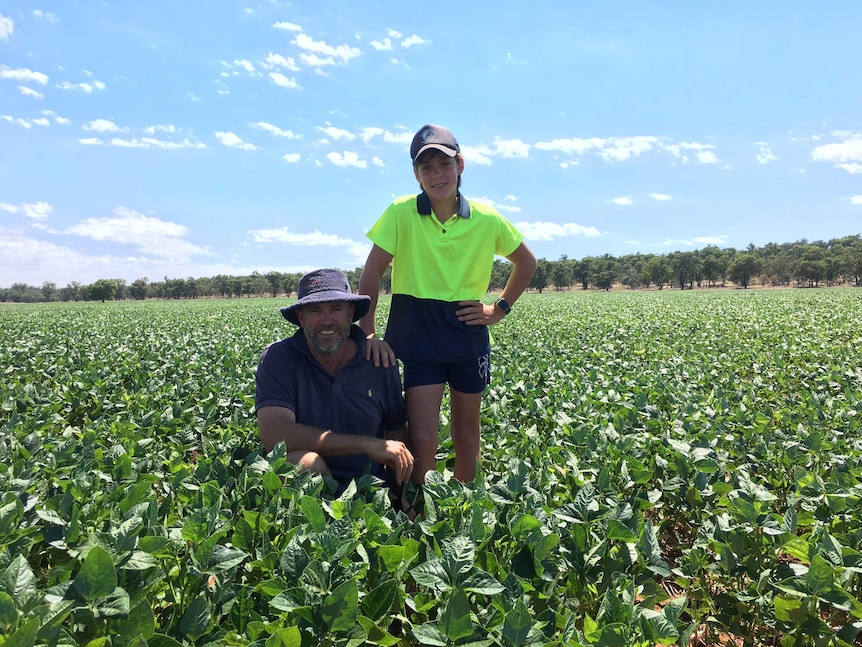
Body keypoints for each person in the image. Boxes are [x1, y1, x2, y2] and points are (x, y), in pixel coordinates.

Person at [358, 124, 537, 484]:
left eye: (445, 163)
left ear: (461, 165)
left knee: (466, 434)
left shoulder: (486, 218)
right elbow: (372, 273)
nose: (437, 174)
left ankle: (461, 508)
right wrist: (369, 332)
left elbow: (526, 262)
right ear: (416, 174)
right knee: (423, 437)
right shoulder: (401, 212)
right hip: (418, 335)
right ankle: (419, 508)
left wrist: (497, 309)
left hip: (467, 335)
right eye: (427, 167)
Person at [254, 268, 414, 498]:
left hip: (369, 489)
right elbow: (274, 435)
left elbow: (396, 432)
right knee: (304, 464)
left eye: (336, 308)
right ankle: (317, 525)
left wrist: (403, 497)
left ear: (351, 314)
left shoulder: (379, 361)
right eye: (315, 310)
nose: (326, 320)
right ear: (301, 317)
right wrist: (366, 445)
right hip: (312, 491)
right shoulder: (279, 358)